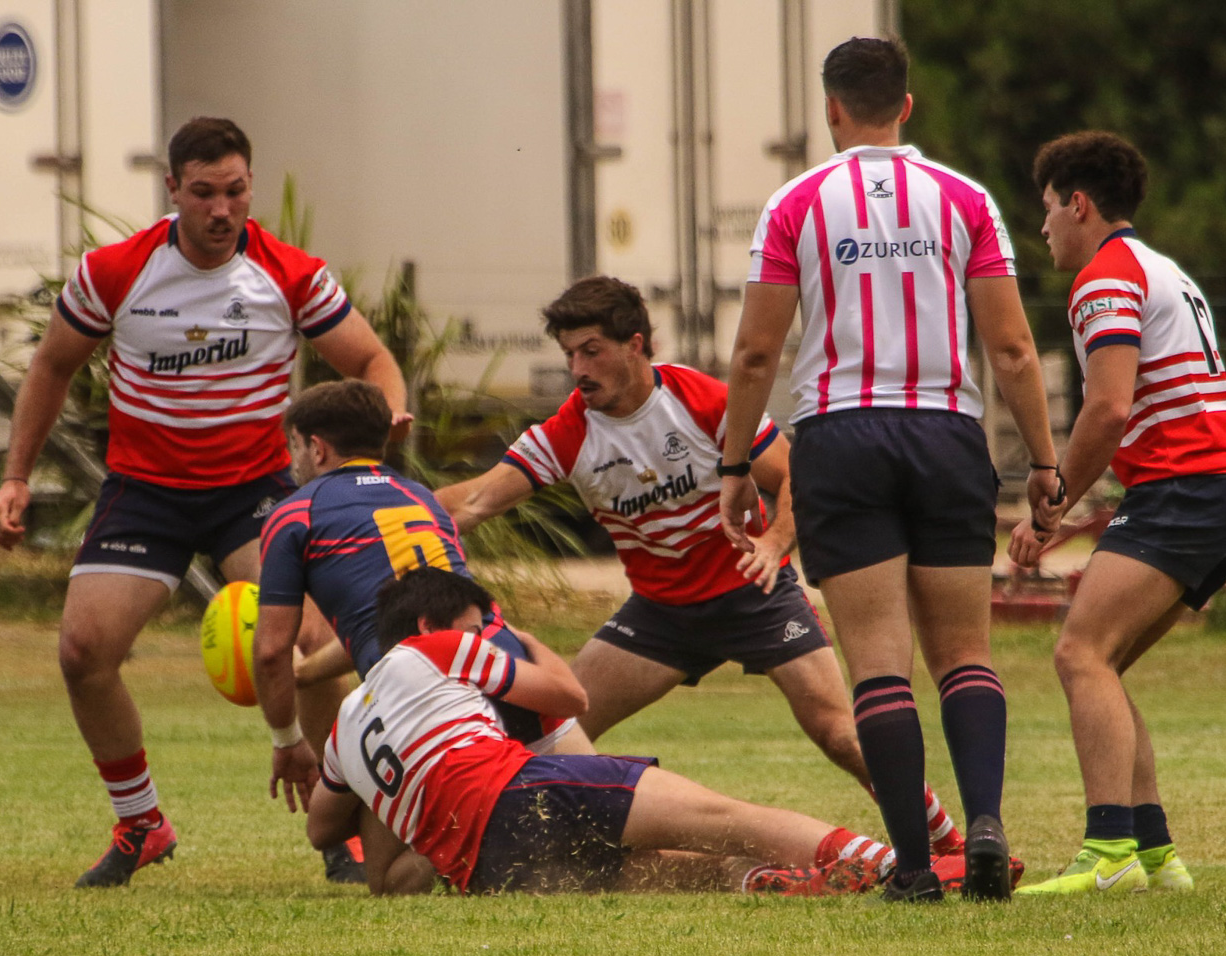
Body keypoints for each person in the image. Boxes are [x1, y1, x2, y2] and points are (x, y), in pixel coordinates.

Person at [0, 116, 411, 888]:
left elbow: (372, 358)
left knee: (316, 646)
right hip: (145, 492)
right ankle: (142, 822)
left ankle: (339, 829)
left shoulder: (291, 274)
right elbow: (50, 366)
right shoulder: (116, 271)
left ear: (252, 187)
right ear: (173, 188)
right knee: (83, 652)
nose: (222, 209)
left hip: (252, 493)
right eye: (205, 193)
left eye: (237, 191)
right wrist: (16, 475)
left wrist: (384, 416)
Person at [437, 276, 968, 859]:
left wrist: (776, 545)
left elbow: (796, 474)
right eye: (569, 355)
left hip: (756, 594)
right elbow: (475, 501)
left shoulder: (700, 400)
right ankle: (511, 851)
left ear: (635, 344)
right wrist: (389, 512)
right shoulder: (569, 432)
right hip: (662, 616)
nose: (577, 369)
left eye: (591, 351)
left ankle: (946, 845)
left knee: (840, 734)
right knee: (544, 728)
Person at [718, 37, 1062, 902]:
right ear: (907, 105)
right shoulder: (965, 198)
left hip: (840, 438)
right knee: (966, 655)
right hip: (946, 431)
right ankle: (984, 824)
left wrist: (733, 460)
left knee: (879, 665)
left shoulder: (795, 203)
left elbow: (758, 349)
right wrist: (1046, 465)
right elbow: (1014, 349)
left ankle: (914, 866)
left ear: (832, 108)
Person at [310, 566, 947, 897]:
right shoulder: (436, 649)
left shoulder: (343, 726)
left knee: (648, 870)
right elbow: (570, 697)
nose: (485, 637)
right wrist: (528, 643)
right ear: (430, 625)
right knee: (724, 813)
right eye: (479, 625)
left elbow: (320, 827)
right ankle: (900, 864)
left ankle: (753, 879)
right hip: (516, 790)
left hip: (483, 866)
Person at [1009, 132, 1226, 896]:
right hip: (1221, 490)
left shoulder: (1104, 278)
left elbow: (1110, 405)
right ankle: (1156, 856)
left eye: (1048, 209)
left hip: (1185, 489)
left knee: (1078, 654)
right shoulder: (1163, 269)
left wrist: (1052, 502)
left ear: (1078, 203)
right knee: (1101, 663)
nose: (1043, 226)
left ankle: (1107, 848)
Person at [253, 379, 590, 810]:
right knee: (603, 819)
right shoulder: (422, 500)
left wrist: (287, 740)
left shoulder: (295, 514)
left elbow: (270, 651)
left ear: (317, 449)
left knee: (366, 848)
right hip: (508, 667)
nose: (291, 459)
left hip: (428, 700)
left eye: (293, 446)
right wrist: (307, 674)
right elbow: (397, 622)